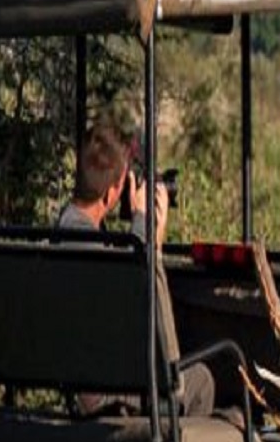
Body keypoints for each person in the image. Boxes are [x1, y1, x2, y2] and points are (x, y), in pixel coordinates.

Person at [57, 120, 214, 418]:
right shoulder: (99, 254)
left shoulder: (63, 235)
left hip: (80, 388)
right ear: (113, 191)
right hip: (107, 396)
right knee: (200, 380)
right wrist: (146, 228)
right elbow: (139, 315)